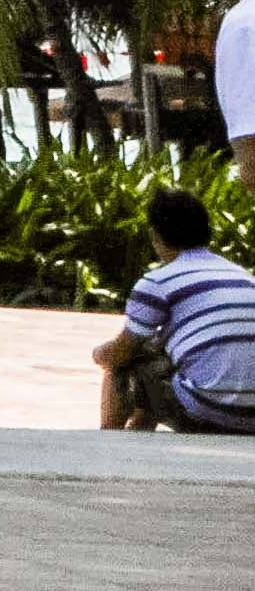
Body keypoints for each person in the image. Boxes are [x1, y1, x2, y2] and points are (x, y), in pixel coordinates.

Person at [103, 184, 255, 434]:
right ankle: (137, 434)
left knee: (128, 363)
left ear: (155, 236)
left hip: (210, 411)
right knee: (160, 364)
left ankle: (109, 442)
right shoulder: (244, 277)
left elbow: (119, 353)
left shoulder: (158, 281)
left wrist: (99, 355)